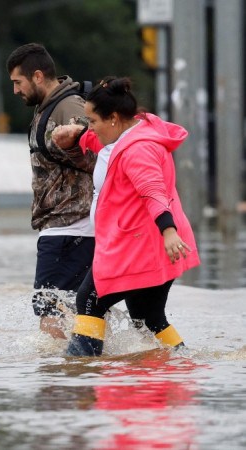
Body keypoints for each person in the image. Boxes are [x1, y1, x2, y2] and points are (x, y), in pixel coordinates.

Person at [51, 76, 201, 356]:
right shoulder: (135, 130)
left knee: (88, 301)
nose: (90, 128)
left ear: (114, 118)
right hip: (149, 242)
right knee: (147, 316)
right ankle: (181, 362)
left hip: (142, 243)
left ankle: (80, 373)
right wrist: (78, 135)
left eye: (92, 121)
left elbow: (153, 191)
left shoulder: (139, 150)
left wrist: (168, 232)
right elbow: (105, 144)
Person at [6, 43, 97, 339]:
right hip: (71, 229)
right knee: (77, 310)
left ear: (37, 76)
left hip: (68, 229)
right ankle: (85, 370)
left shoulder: (68, 108)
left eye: (17, 83)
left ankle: (57, 380)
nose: (15, 90)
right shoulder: (49, 107)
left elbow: (100, 158)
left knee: (49, 313)